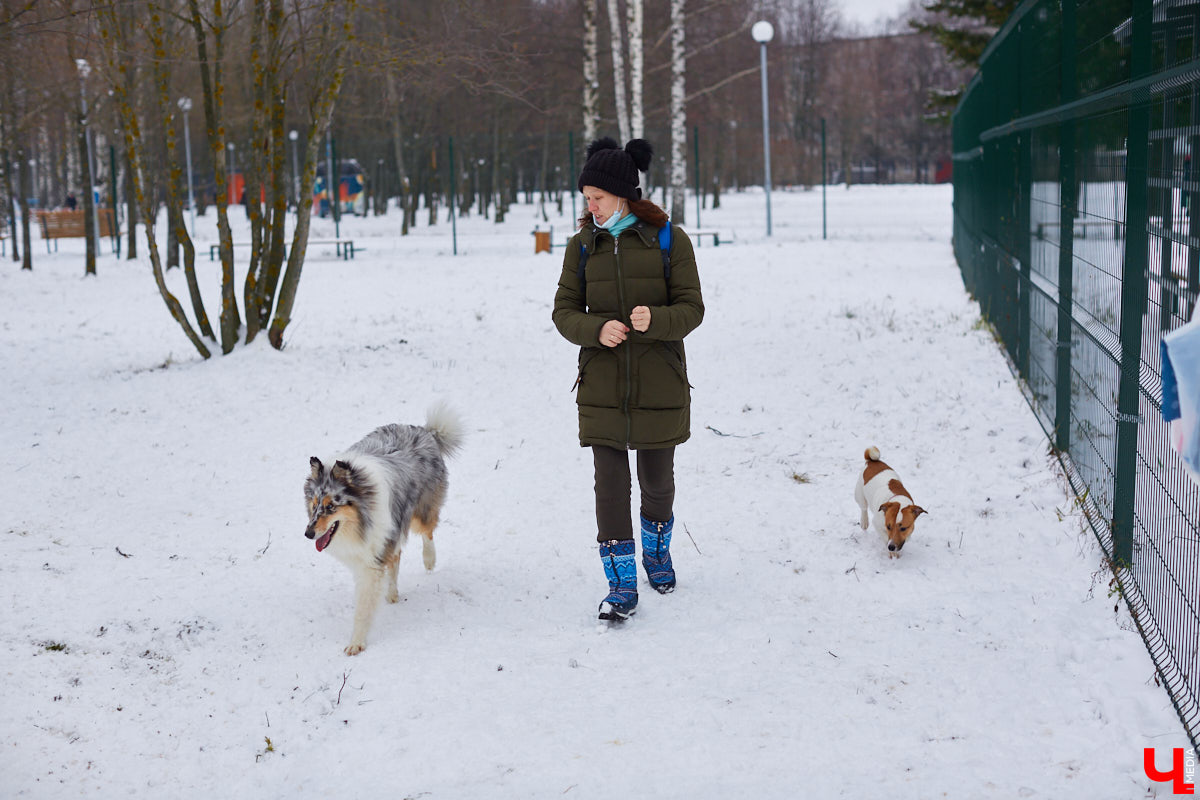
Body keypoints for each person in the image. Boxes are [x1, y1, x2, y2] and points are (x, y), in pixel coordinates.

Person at [552, 137, 705, 621]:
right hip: (601, 388)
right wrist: (596, 329)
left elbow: (692, 308)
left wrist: (654, 321)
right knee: (610, 487)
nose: (590, 206)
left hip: (659, 384)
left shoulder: (668, 240)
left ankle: (657, 553)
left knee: (658, 484)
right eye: (586, 198)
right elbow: (563, 312)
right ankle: (620, 584)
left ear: (622, 194)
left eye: (597, 197)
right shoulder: (581, 247)